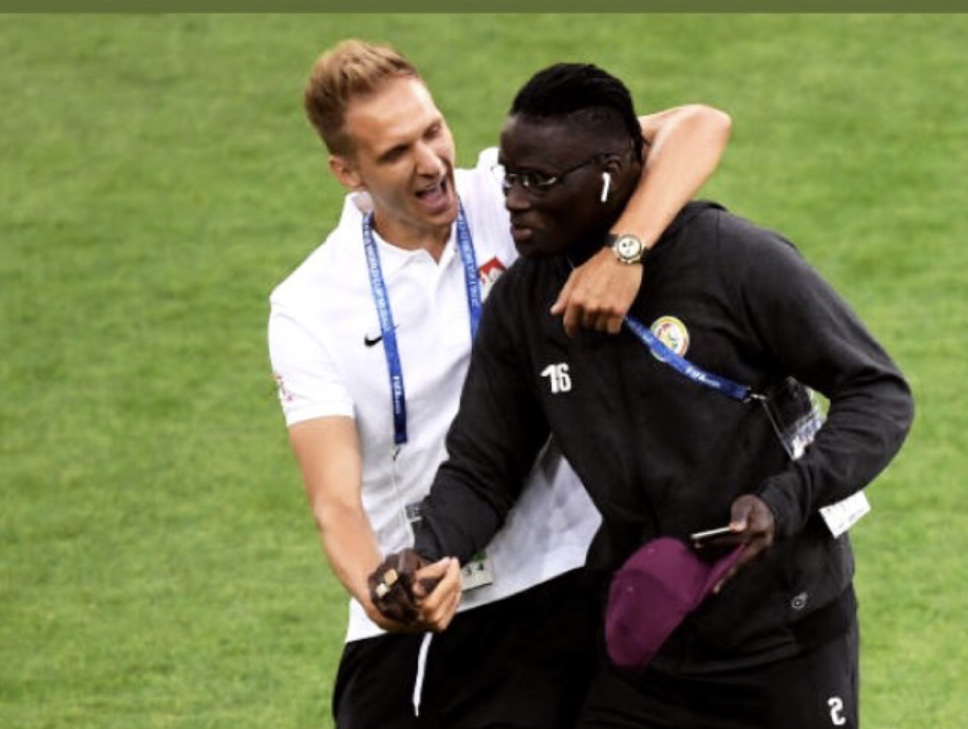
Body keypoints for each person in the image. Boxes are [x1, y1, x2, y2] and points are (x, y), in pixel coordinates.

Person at [388, 63, 914, 729]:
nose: (514, 200)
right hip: (645, 647)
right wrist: (428, 550)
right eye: (509, 177)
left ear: (612, 170)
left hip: (785, 640)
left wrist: (787, 496)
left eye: (539, 180)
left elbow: (877, 392)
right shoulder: (524, 304)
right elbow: (483, 466)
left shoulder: (733, 260)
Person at [267, 39, 731, 729]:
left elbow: (700, 124)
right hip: (444, 600)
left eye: (432, 130)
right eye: (395, 153)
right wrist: (389, 590)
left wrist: (622, 249)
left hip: (578, 566)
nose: (430, 163)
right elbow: (334, 502)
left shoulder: (513, 195)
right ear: (346, 171)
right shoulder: (309, 304)